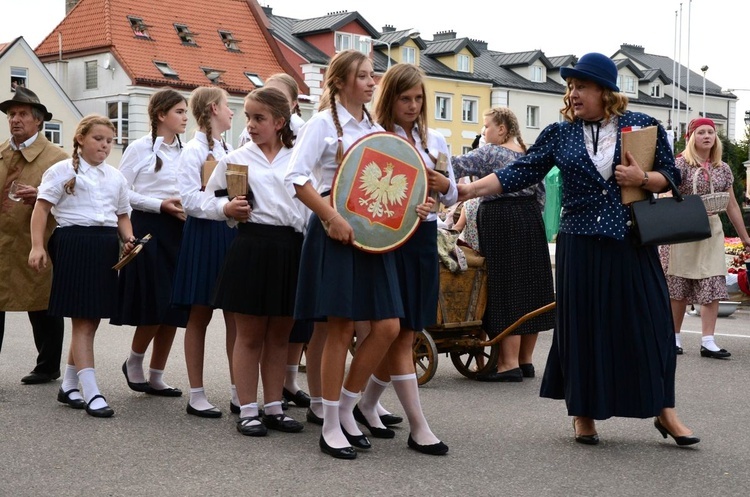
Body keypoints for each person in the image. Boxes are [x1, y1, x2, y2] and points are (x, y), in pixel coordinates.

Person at [457, 53, 699, 446]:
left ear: (605, 91)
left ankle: (665, 411)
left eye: (580, 86)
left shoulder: (643, 124)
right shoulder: (560, 133)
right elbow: (520, 171)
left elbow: (671, 178)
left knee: (652, 326)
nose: (572, 93)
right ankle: (583, 413)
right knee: (584, 329)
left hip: (630, 242)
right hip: (580, 243)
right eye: (570, 87)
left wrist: (643, 177)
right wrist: (470, 189)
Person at [285, 49, 405, 460]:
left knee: (387, 326)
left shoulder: (374, 125)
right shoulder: (321, 124)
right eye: (364, 77)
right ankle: (332, 423)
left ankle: (350, 406)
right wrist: (330, 218)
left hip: (373, 236)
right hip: (334, 232)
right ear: (340, 82)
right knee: (339, 328)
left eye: (373, 76)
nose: (373, 83)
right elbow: (297, 178)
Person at [353, 63, 453, 455]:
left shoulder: (437, 140)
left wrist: (445, 188)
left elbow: (451, 194)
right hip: (390, 240)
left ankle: (365, 403)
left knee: (409, 330)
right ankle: (418, 425)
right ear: (390, 98)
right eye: (405, 98)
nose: (413, 105)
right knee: (394, 330)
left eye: (418, 98)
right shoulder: (376, 136)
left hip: (424, 237)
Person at [208, 87, 305, 436]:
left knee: (281, 334)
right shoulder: (236, 158)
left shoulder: (298, 156)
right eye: (247, 117)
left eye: (259, 118)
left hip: (291, 247)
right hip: (252, 245)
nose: (250, 124)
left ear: (280, 121)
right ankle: (248, 409)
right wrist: (225, 208)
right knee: (248, 335)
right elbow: (202, 199)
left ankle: (275, 406)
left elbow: (313, 202)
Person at [29, 114, 135, 417]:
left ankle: (70, 384)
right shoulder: (61, 170)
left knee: (92, 319)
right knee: (83, 320)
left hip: (104, 246)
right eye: (98, 139)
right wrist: (37, 246)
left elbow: (122, 215)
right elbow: (41, 209)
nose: (104, 145)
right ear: (80, 139)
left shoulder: (115, 176)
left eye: (109, 141)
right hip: (73, 243)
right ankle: (92, 391)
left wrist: (129, 239)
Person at [451, 107, 555, 382]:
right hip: (530, 218)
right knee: (531, 287)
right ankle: (525, 361)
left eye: (486, 127)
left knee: (506, 287)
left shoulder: (489, 152)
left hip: (501, 218)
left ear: (502, 129)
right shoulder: (528, 153)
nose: (483, 133)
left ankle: (508, 364)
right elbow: (542, 194)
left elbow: (457, 166)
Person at [173, 87, 246, 418]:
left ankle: (238, 391)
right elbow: (188, 199)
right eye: (228, 106)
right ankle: (197, 393)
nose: (232, 113)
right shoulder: (191, 151)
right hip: (205, 231)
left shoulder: (230, 148)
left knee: (235, 315)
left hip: (229, 233)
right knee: (199, 314)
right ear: (214, 108)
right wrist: (224, 207)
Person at [112, 88, 190, 396]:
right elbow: (121, 191)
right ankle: (134, 361)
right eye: (180, 112)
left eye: (186, 112)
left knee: (175, 305)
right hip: (151, 228)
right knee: (157, 301)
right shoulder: (139, 148)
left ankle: (157, 374)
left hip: (181, 229)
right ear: (161, 115)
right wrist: (159, 204)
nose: (186, 117)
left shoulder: (187, 150)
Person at [662, 118, 750, 358]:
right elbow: (666, 196)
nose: (707, 136)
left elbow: (731, 204)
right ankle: (675, 337)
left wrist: (744, 237)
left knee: (712, 282)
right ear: (691, 137)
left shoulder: (723, 168)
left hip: (711, 230)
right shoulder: (679, 165)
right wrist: (692, 208)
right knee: (678, 286)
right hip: (684, 230)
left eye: (710, 132)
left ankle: (708, 340)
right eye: (701, 132)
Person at [0, 87, 67, 385]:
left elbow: (74, 199)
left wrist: (42, 194)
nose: (15, 119)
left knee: (41, 303)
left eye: (22, 114)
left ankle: (48, 365)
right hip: (2, 239)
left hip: (37, 240)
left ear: (38, 121)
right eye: (12, 114)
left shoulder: (57, 157)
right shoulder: (1, 153)